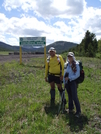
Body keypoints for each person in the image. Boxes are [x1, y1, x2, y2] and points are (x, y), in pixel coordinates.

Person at [64, 52, 81, 117]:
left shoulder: (76, 64)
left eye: (70, 56)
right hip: (67, 82)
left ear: (73, 57)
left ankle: (78, 111)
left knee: (74, 96)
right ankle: (70, 109)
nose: (69, 58)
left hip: (73, 82)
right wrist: (64, 81)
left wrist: (70, 78)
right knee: (69, 96)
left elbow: (77, 74)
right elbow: (65, 73)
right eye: (68, 56)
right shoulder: (67, 64)